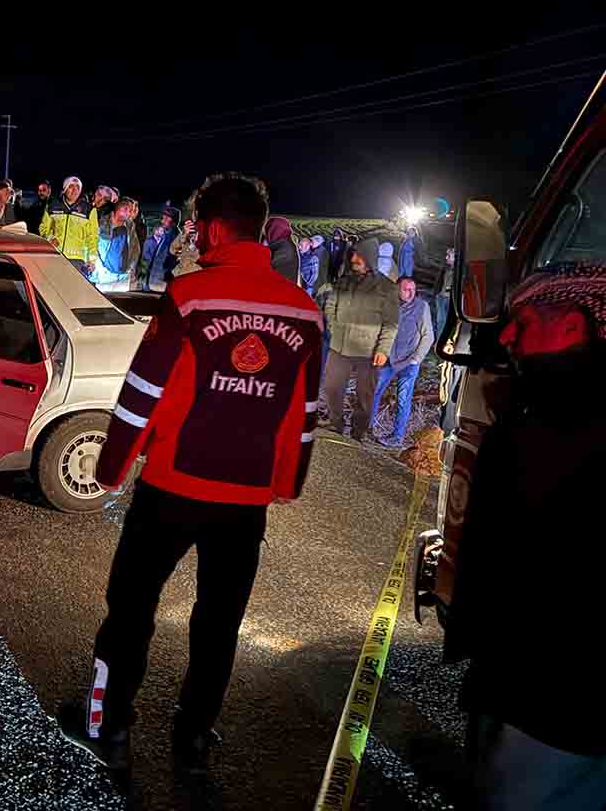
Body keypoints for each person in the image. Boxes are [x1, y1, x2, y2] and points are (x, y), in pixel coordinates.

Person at [59, 174, 322, 774]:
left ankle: (108, 725)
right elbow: (303, 414)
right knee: (219, 621)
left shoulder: (190, 295)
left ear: (209, 228)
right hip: (245, 499)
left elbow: (144, 391)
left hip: (172, 489)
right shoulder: (304, 312)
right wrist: (286, 482)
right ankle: (196, 733)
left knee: (130, 608)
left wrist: (111, 464)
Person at [448, 262, 606, 810]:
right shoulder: (538, 417)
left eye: (525, 320)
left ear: (572, 328)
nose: (507, 336)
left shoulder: (554, 432)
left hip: (557, 703)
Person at [320, 238, 400, 440]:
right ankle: (335, 423)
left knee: (365, 396)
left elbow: (391, 324)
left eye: (359, 255)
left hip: (368, 350)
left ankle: (358, 432)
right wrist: (333, 326)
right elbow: (330, 306)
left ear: (369, 258)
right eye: (353, 255)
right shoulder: (344, 281)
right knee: (331, 387)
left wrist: (383, 350)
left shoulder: (387, 288)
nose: (354, 259)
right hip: (339, 347)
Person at [369, 276, 434, 449]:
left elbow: (428, 336)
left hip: (409, 360)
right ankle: (368, 426)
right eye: (406, 289)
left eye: (413, 289)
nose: (411, 293)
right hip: (389, 357)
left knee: (404, 399)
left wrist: (416, 359)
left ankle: (397, 437)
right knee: (375, 390)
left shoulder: (422, 307)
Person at [40, 177, 99, 277]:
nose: (75, 190)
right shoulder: (52, 205)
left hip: (78, 260)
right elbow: (43, 228)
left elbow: (92, 237)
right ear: (64, 189)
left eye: (78, 187)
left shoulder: (89, 209)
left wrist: (92, 261)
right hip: (55, 256)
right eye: (71, 186)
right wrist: (50, 238)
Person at [91, 198, 141, 292]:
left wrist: (131, 269)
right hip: (103, 276)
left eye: (131, 211)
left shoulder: (130, 226)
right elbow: (93, 244)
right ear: (121, 208)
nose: (130, 214)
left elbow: (135, 249)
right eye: (128, 210)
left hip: (122, 277)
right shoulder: (102, 222)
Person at [140, 206, 182, 291]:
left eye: (167, 218)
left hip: (162, 283)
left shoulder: (176, 237)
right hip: (154, 282)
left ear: (174, 222)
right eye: (163, 217)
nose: (163, 220)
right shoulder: (163, 235)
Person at [264, 216, 299, 284]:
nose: (267, 234)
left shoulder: (284, 248)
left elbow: (266, 267)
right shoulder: (284, 244)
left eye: (268, 230)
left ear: (274, 230)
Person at [435, 247, 456, 335]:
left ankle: (446, 342)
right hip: (441, 297)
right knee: (441, 321)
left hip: (450, 300)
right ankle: (439, 341)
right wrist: (436, 293)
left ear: (455, 257)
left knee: (448, 322)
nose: (446, 258)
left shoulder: (460, 271)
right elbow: (439, 281)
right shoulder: (445, 268)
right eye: (446, 255)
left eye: (449, 256)